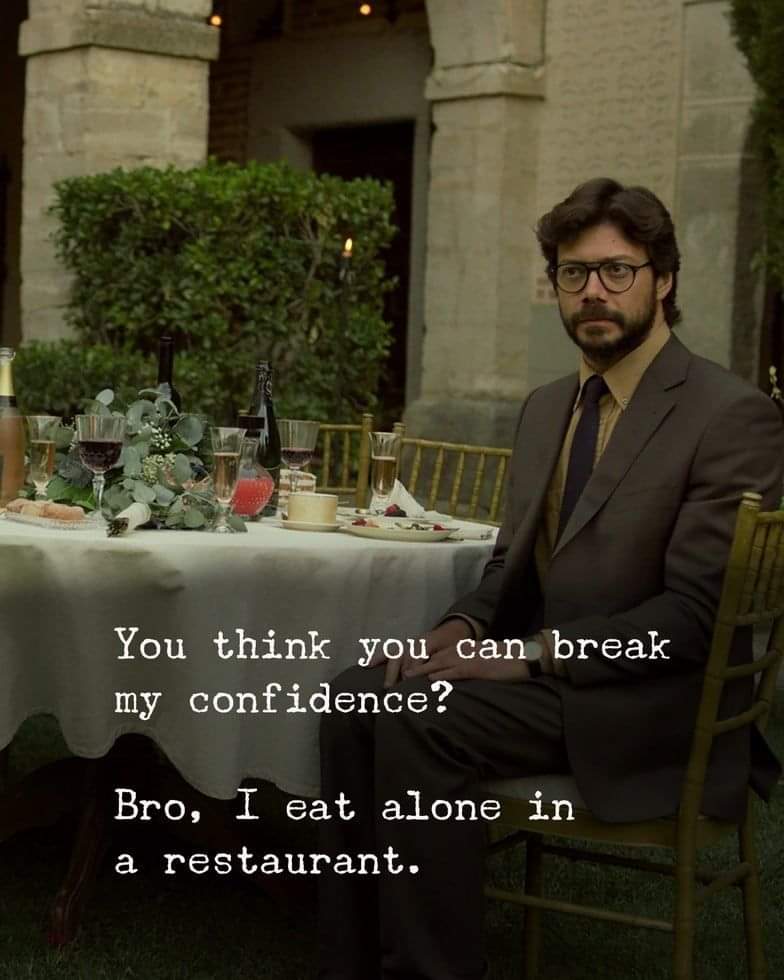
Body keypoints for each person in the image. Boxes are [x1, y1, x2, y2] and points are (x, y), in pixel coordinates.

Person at [317, 177, 784, 980]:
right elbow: (511, 566)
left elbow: (694, 619)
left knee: (420, 720)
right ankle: (352, 963)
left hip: (652, 703)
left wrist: (523, 656)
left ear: (663, 280)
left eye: (617, 270)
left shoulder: (729, 413)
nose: (593, 291)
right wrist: (461, 629)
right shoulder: (545, 407)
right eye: (574, 273)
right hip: (552, 685)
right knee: (356, 699)